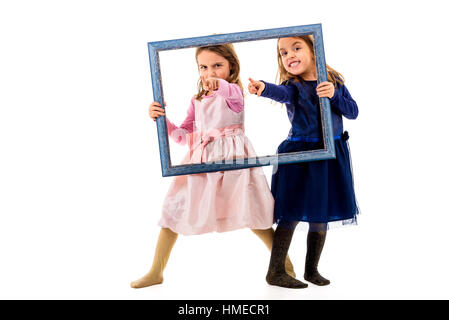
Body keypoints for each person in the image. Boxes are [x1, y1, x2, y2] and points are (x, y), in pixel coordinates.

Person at [131, 43, 295, 288]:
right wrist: (162, 121)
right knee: (173, 211)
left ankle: (284, 265)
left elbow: (228, 92)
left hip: (232, 161)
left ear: (231, 67)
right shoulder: (196, 100)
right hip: (202, 161)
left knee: (251, 213)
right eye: (204, 67)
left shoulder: (235, 93)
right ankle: (156, 271)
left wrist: (220, 85)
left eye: (217, 66)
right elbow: (183, 136)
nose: (210, 72)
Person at [248, 35, 359, 288]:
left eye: (296, 48)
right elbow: (281, 93)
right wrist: (264, 88)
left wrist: (334, 95)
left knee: (320, 212)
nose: (289, 56)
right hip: (299, 154)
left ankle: (312, 270)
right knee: (292, 211)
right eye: (283, 53)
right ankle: (275, 271)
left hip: (329, 154)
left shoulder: (334, 82)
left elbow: (352, 111)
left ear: (314, 50)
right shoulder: (293, 86)